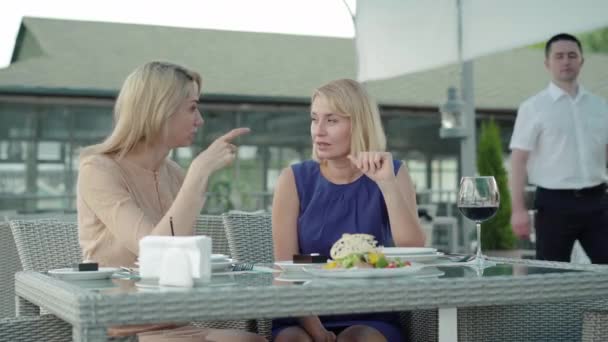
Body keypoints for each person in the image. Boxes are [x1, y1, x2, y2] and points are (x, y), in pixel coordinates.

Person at [77, 61, 265, 341]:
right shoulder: (98, 170)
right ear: (159, 110)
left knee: (255, 339)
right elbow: (156, 253)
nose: (199, 120)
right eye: (191, 108)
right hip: (122, 331)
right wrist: (199, 172)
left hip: (174, 323)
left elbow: (180, 262)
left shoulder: (175, 174)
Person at [271, 79, 425, 342]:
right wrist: (317, 330)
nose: (318, 131)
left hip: (370, 313)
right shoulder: (294, 179)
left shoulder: (393, 172)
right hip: (303, 310)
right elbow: (285, 270)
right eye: (314, 119)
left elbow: (415, 250)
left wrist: (386, 184)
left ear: (359, 124)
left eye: (331, 121)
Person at [509, 33, 608, 263]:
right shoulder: (533, 107)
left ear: (581, 61)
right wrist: (518, 210)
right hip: (554, 205)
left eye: (572, 55)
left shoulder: (600, 107)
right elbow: (518, 160)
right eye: (559, 56)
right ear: (548, 63)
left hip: (598, 201)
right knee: (551, 277)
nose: (566, 61)